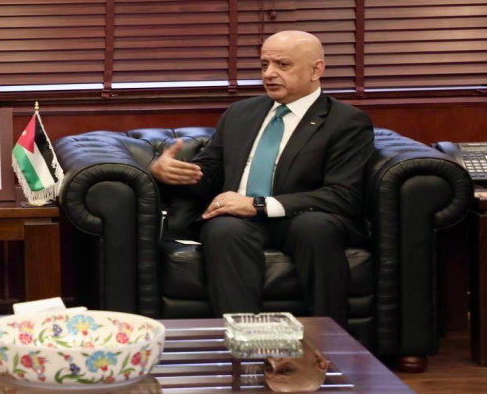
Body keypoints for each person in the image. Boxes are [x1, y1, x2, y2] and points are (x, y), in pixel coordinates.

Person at [149, 30, 374, 328]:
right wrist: (167, 173)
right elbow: (209, 174)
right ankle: (244, 343)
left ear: (316, 69)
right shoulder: (241, 113)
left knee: (315, 228)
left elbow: (342, 194)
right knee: (223, 230)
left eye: (283, 64)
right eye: (264, 64)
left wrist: (257, 205)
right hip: (238, 220)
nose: (269, 73)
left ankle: (330, 342)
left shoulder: (346, 121)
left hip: (304, 215)